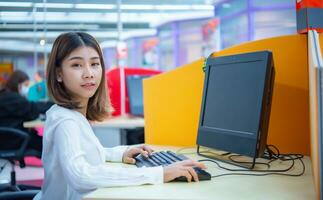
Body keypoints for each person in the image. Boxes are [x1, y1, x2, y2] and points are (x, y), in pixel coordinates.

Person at [34, 32, 206, 200]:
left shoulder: (71, 115)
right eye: (76, 65)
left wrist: (121, 153)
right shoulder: (66, 121)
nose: (89, 73)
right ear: (58, 74)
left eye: (94, 64)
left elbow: (87, 153)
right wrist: (159, 173)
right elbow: (80, 176)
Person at [0, 70, 53, 154]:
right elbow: (33, 109)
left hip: (4, 140)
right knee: (50, 145)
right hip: (15, 139)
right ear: (18, 84)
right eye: (26, 85)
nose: (27, 88)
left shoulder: (3, 95)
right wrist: (55, 105)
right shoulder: (16, 100)